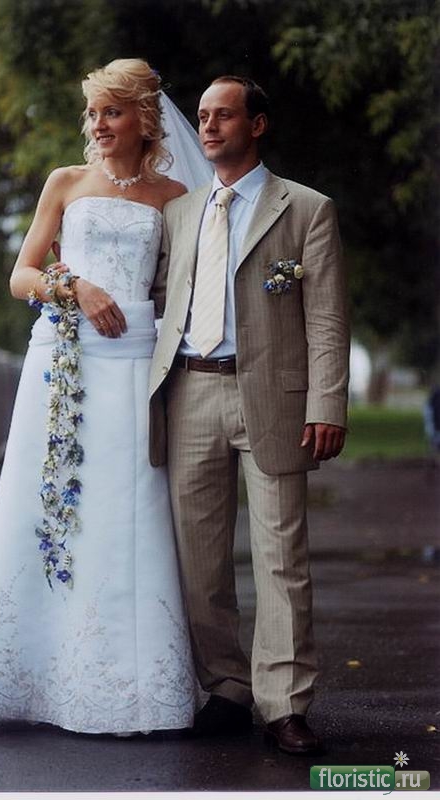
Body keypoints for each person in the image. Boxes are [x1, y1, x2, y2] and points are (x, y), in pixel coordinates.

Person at [0, 58, 210, 736]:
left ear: (144, 120)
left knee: (128, 508)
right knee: (46, 502)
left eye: (112, 112)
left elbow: (184, 289)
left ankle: (131, 683)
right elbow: (22, 275)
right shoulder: (65, 183)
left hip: (135, 362)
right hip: (63, 359)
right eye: (93, 112)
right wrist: (77, 288)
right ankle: (36, 673)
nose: (97, 124)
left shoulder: (176, 196)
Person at [149, 76, 350, 753]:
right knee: (199, 560)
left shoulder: (307, 209)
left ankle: (285, 703)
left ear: (256, 125)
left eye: (224, 116)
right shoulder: (180, 212)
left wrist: (327, 402)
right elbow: (159, 298)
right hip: (189, 393)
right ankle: (228, 689)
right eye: (202, 116)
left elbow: (326, 318)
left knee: (281, 557)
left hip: (277, 400)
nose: (208, 127)